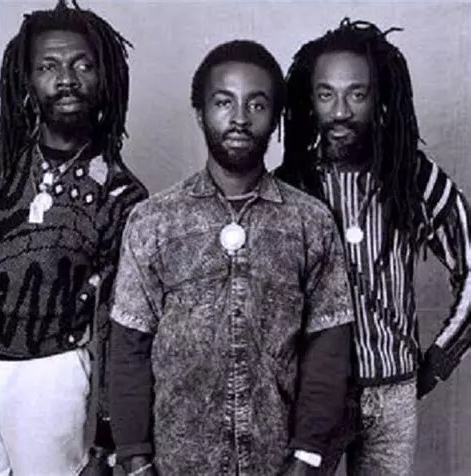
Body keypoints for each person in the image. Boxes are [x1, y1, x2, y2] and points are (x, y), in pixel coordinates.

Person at [109, 39, 354, 476]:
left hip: (276, 463)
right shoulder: (152, 222)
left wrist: (307, 453)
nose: (240, 118)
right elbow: (129, 346)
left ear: (276, 118)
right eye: (224, 102)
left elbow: (328, 346)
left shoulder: (310, 222)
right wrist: (135, 459)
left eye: (256, 105)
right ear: (200, 113)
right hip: (176, 464)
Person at [276, 18, 471, 475]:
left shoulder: (412, 176)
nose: (341, 110)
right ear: (309, 100)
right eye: (327, 94)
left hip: (394, 395)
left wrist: (441, 358)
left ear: (379, 96)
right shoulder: (289, 186)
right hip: (312, 398)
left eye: (357, 94)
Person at [0, 1, 147, 474]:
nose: (66, 79)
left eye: (83, 65)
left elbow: (117, 325)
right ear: (27, 79)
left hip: (51, 377)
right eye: (49, 66)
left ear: (104, 78)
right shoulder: (2, 163)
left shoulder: (122, 195)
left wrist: (106, 437)